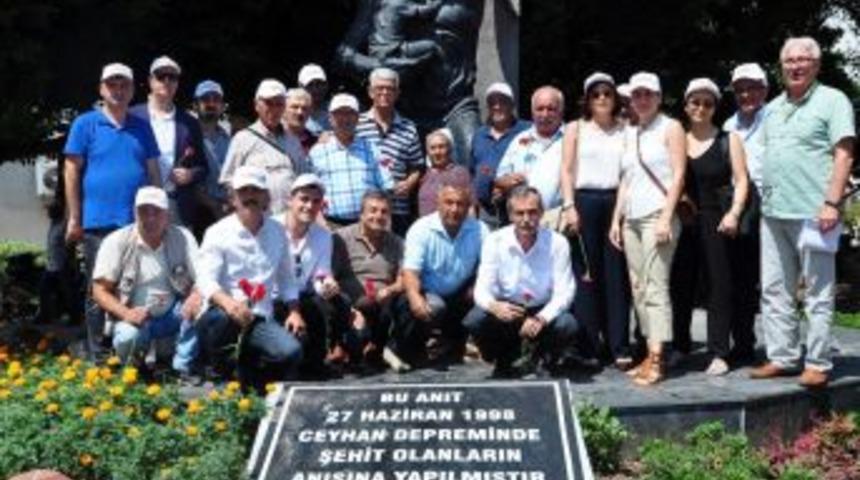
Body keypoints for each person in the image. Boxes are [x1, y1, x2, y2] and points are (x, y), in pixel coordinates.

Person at [750, 37, 856, 388]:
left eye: (802, 60)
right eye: (789, 61)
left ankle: (818, 362)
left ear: (816, 65)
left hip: (815, 212)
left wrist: (832, 203)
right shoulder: (773, 108)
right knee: (774, 289)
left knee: (817, 290)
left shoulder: (833, 100)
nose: (795, 66)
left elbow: (844, 154)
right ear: (781, 66)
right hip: (774, 211)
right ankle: (783, 357)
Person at [64, 62, 161, 359]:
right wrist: (74, 218)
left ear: (132, 90)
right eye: (112, 85)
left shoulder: (142, 127)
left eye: (124, 85)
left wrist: (159, 215)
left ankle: (131, 353)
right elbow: (71, 170)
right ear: (101, 89)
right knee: (99, 289)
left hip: (137, 224)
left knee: (137, 287)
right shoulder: (85, 124)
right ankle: (99, 357)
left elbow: (153, 172)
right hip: (98, 222)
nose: (118, 90)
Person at [609, 72, 686, 386]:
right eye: (637, 94)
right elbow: (626, 180)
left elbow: (678, 174)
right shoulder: (630, 131)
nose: (642, 100)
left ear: (658, 97)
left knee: (656, 287)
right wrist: (617, 219)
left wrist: (667, 216)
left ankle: (657, 356)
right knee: (638, 288)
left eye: (648, 94)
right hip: (632, 218)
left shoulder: (671, 127)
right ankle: (649, 350)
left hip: (657, 214)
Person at [196, 166, 303, 389]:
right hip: (225, 315)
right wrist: (229, 304)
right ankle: (219, 372)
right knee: (220, 321)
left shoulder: (278, 231)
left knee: (291, 352)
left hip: (260, 317)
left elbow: (287, 279)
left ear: (266, 197)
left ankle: (252, 371)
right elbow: (206, 280)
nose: (250, 196)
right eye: (243, 191)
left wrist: (294, 311)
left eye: (256, 191)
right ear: (233, 199)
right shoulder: (217, 232)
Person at [676, 78, 750, 375]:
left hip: (716, 217)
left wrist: (734, 213)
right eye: (695, 102)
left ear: (715, 107)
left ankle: (719, 351)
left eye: (708, 103)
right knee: (680, 284)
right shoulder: (677, 138)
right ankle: (679, 346)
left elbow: (742, 180)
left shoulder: (728, 139)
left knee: (719, 285)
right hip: (683, 218)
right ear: (686, 105)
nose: (701, 108)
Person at [559, 72, 632, 369]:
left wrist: (619, 215)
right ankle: (588, 346)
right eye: (595, 94)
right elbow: (566, 169)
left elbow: (627, 174)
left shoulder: (625, 129)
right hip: (584, 201)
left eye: (607, 93)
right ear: (587, 99)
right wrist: (569, 205)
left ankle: (619, 345)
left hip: (615, 201)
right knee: (586, 275)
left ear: (615, 98)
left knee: (616, 276)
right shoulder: (575, 128)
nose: (602, 98)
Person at [465, 186, 577, 377]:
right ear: (510, 216)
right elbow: (481, 290)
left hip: (542, 309)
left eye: (532, 212)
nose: (526, 219)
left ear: (541, 213)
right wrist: (494, 307)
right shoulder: (494, 241)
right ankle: (502, 357)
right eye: (520, 213)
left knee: (567, 324)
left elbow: (565, 292)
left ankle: (544, 358)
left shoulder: (558, 243)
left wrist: (541, 318)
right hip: (508, 309)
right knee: (475, 320)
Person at [91, 187, 199, 379]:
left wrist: (195, 296)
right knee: (127, 337)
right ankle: (135, 369)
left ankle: (182, 368)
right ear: (134, 213)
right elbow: (99, 290)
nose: (150, 218)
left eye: (156, 212)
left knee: (202, 306)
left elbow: (204, 277)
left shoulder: (183, 237)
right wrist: (126, 313)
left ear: (167, 215)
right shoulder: (116, 241)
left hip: (174, 313)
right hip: (133, 315)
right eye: (144, 211)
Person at [387, 182, 489, 371]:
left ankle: (454, 346)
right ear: (438, 203)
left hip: (458, 293)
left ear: (469, 206)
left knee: (479, 296)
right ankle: (403, 349)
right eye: (449, 202)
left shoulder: (480, 230)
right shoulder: (421, 229)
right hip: (427, 291)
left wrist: (479, 288)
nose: (454, 209)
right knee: (434, 306)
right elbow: (410, 271)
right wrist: (415, 298)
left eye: (460, 204)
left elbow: (489, 267)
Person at [276, 174, 355, 377]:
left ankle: (326, 352)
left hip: (304, 297)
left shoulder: (324, 235)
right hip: (274, 300)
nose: (309, 206)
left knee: (340, 301)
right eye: (304, 199)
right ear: (290, 200)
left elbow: (321, 274)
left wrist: (327, 283)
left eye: (316, 201)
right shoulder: (271, 228)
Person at [721, 62, 770, 364]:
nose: (746, 94)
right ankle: (743, 343)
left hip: (773, 202)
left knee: (775, 280)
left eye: (752, 88)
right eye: (740, 89)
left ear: (764, 90)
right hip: (740, 204)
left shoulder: (776, 118)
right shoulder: (729, 125)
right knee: (741, 278)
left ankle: (781, 348)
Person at [130, 56, 208, 238]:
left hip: (177, 205)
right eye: (161, 76)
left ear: (177, 84)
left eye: (172, 77)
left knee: (180, 255)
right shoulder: (132, 116)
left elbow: (203, 166)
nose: (166, 81)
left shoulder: (189, 122)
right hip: (140, 203)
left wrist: (191, 174)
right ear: (150, 81)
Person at [332, 190, 405, 367]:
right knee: (356, 339)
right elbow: (330, 278)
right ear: (361, 214)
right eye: (373, 210)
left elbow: (404, 278)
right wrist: (349, 310)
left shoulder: (397, 242)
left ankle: (384, 349)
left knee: (403, 301)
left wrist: (391, 289)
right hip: (349, 305)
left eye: (384, 211)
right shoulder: (341, 238)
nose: (378, 216)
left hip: (382, 305)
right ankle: (343, 346)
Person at [220, 79, 307, 215]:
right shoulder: (243, 139)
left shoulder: (293, 141)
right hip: (256, 220)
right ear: (257, 105)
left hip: (289, 219)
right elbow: (227, 181)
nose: (274, 109)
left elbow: (303, 179)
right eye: (269, 103)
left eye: (279, 104)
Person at [356, 68, 424, 236]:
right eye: (380, 88)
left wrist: (409, 183)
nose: (385, 92)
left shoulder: (408, 128)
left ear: (397, 93)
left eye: (390, 88)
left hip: (397, 209)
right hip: (365, 208)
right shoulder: (357, 124)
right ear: (370, 92)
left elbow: (416, 166)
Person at [309, 93, 394, 227]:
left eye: (350, 113)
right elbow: (309, 191)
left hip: (367, 224)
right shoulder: (317, 152)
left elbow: (387, 187)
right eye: (339, 114)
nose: (345, 118)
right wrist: (320, 221)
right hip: (329, 224)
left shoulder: (372, 149)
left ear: (357, 118)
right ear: (330, 118)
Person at [495, 86, 565, 213]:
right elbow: (499, 178)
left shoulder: (572, 139)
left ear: (561, 111)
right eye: (540, 109)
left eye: (551, 109)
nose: (545, 114)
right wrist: (507, 181)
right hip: (523, 218)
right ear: (532, 112)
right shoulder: (519, 140)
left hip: (560, 216)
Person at [470, 82, 531, 229]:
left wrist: (506, 185)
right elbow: (472, 171)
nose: (497, 107)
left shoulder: (527, 131)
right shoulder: (479, 134)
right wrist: (473, 203)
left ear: (512, 105)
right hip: (486, 212)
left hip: (519, 210)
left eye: (502, 102)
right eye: (492, 103)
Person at [193, 79, 231, 222]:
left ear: (222, 106)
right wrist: (215, 206)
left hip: (227, 210)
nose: (211, 104)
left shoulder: (229, 139)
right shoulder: (187, 137)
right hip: (198, 213)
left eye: (216, 99)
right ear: (195, 105)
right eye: (205, 99)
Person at [417, 128, 471, 217]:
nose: (437, 152)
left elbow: (471, 207)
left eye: (441, 147)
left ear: (449, 149)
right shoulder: (423, 175)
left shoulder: (460, 173)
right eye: (433, 148)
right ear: (428, 152)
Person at [298, 64, 331, 136]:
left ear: (326, 85)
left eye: (319, 84)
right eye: (310, 85)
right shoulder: (291, 113)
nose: (315, 89)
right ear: (300, 86)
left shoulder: (337, 112)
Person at [284, 88, 318, 153]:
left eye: (304, 108)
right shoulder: (272, 135)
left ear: (310, 112)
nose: (300, 112)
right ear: (284, 110)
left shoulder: (314, 143)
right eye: (295, 107)